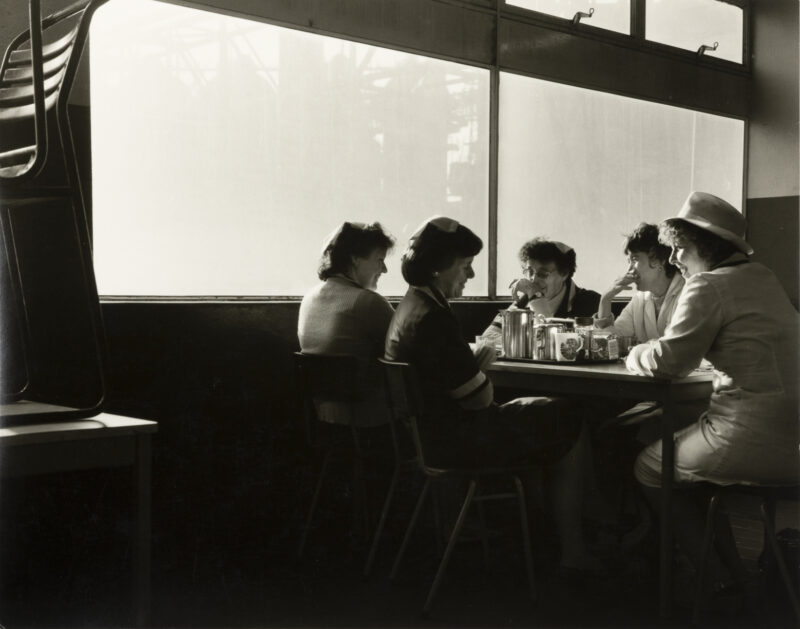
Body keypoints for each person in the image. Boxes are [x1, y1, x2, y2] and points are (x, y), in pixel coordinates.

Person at [385, 215, 600, 574]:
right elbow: (479, 400)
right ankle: (574, 549)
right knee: (570, 416)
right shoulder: (435, 317)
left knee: (549, 413)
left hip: (427, 439)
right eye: (466, 266)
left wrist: (474, 366)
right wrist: (480, 367)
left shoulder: (411, 306)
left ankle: (551, 530)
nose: (471, 276)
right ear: (440, 267)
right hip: (458, 440)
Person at [627, 192, 799, 596]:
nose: (673, 260)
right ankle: (733, 574)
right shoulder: (764, 278)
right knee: (680, 454)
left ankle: (717, 580)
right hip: (792, 442)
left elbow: (668, 363)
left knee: (649, 466)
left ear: (706, 246)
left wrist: (635, 352)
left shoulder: (708, 284)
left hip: (746, 438)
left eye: (679, 248)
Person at [298, 221, 395, 426]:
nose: (384, 269)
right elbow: (404, 348)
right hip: (369, 416)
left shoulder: (309, 297)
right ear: (355, 258)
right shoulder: (367, 302)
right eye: (379, 260)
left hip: (322, 416)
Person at [482, 238, 600, 340]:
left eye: (543, 274)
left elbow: (558, 345)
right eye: (529, 272)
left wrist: (537, 298)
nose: (533, 280)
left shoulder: (591, 301)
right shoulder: (524, 300)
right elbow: (488, 337)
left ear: (564, 274)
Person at [594, 223, 684, 343]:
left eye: (635, 259)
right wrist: (605, 299)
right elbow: (611, 341)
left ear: (659, 260)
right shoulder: (640, 300)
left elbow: (671, 346)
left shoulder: (686, 293)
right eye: (629, 261)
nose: (629, 270)